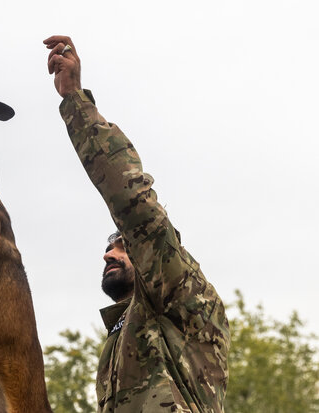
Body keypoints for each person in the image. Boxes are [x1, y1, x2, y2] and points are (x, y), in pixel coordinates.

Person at [44, 35, 230, 413]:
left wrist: (75, 100)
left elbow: (133, 203)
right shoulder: (121, 337)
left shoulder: (182, 294)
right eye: (110, 246)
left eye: (121, 246)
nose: (107, 254)